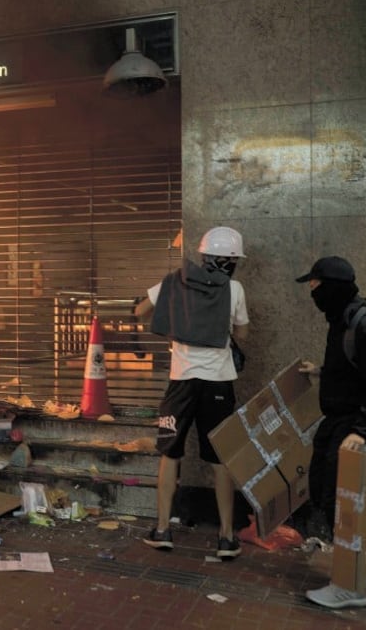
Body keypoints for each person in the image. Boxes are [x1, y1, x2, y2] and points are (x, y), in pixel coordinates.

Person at [134, 226, 249, 560]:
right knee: (220, 458)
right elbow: (244, 332)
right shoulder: (235, 289)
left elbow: (141, 310)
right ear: (232, 262)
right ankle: (226, 538)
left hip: (181, 381)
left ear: (203, 255)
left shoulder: (176, 280)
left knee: (171, 453)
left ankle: (161, 530)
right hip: (219, 383)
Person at [295, 256, 366, 609]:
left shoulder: (363, 323)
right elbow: (351, 368)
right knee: (327, 493)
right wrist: (321, 371)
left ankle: (349, 587)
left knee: (346, 505)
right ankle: (348, 575)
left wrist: (362, 430)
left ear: (332, 286)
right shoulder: (341, 320)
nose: (312, 291)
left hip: (352, 426)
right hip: (335, 422)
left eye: (315, 285)